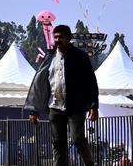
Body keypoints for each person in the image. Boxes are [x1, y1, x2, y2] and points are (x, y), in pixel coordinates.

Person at [24, 24, 100, 166]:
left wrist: (93, 106)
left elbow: (91, 82)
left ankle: (89, 163)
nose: (58, 40)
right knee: (58, 142)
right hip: (55, 106)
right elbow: (38, 84)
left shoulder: (80, 56)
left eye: (61, 37)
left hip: (76, 107)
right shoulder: (50, 57)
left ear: (69, 38)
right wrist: (34, 110)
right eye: (55, 37)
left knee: (77, 138)